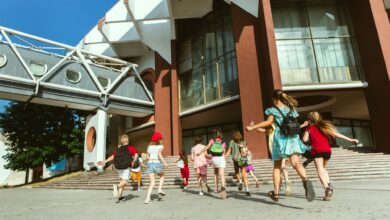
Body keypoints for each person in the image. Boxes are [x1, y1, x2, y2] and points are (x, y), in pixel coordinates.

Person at [247, 89, 315, 202]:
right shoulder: (291, 109)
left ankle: (276, 194)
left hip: (281, 140)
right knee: (296, 162)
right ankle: (306, 180)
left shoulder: (273, 110)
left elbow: (268, 123)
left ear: (274, 99)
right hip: (293, 138)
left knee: (277, 166)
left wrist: (253, 127)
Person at [302, 111, 359, 201]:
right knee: (324, 168)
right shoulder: (324, 126)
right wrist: (350, 139)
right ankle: (329, 185)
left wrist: (306, 133)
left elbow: (304, 139)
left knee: (320, 170)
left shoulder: (309, 128)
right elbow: (336, 134)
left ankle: (327, 188)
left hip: (317, 151)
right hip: (327, 150)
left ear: (309, 120)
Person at [97, 134, 138, 202]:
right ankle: (117, 186)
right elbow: (136, 155)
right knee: (125, 181)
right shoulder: (131, 148)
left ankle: (120, 196)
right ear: (128, 141)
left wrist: (104, 161)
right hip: (126, 167)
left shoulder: (118, 150)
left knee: (122, 181)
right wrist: (133, 161)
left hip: (119, 167)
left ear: (121, 142)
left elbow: (113, 156)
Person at [197, 129, 227, 199]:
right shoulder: (223, 142)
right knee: (222, 175)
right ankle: (223, 187)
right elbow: (224, 152)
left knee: (215, 174)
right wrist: (224, 159)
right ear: (221, 135)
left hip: (214, 159)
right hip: (221, 158)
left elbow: (207, 147)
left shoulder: (212, 140)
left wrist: (200, 152)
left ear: (214, 135)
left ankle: (216, 187)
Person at [144, 132, 169, 204]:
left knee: (152, 182)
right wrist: (165, 163)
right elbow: (159, 155)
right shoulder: (161, 146)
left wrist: (149, 159)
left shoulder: (149, 147)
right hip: (156, 163)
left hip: (149, 163)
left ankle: (147, 198)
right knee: (162, 176)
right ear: (159, 139)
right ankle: (159, 189)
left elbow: (147, 157)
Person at [226, 130, 251, 196]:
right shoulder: (243, 141)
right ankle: (247, 189)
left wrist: (224, 157)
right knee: (244, 175)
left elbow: (229, 151)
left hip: (236, 159)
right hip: (243, 159)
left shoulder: (232, 141)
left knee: (237, 172)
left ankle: (240, 181)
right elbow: (246, 150)